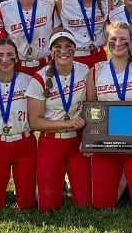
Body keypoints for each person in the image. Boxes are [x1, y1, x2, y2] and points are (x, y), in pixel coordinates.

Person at [86, 21, 132, 212]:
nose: (118, 43)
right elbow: (91, 109)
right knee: (101, 205)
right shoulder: (96, 71)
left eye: (123, 39)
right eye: (113, 39)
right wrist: (90, 140)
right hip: (105, 147)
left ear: (131, 41)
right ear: (107, 41)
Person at [27, 30, 91, 211]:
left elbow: (93, 105)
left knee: (84, 202)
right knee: (48, 205)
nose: (63, 51)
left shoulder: (84, 71)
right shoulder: (39, 78)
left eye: (68, 46)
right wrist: (67, 124)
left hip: (77, 142)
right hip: (51, 143)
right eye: (58, 47)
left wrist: (89, 141)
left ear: (75, 49)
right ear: (50, 51)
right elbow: (35, 122)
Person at [0, 39, 36, 211]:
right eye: (0, 55)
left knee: (27, 206)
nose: (5, 60)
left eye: (10, 55)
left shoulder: (29, 81)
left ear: (17, 59)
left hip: (25, 144)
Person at [0, 0, 57, 76]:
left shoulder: (49, 4)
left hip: (44, 66)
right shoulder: (4, 8)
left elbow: (56, 35)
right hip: (17, 68)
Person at [55, 0, 114, 68]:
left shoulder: (107, 2)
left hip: (98, 57)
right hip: (72, 59)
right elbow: (54, 31)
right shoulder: (62, 1)